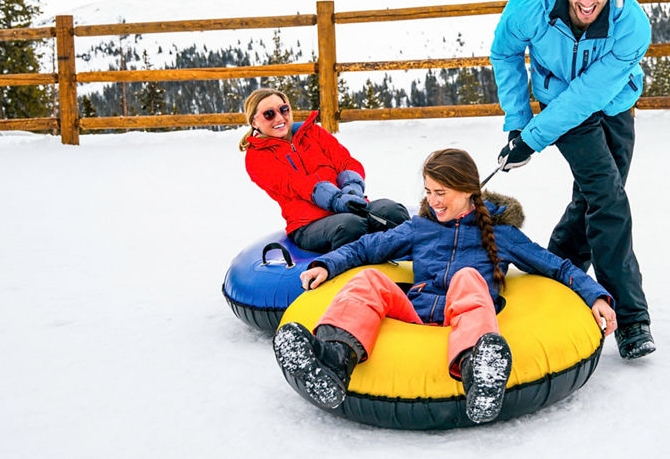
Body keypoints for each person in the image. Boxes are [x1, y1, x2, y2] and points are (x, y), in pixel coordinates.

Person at [271, 148, 615, 425]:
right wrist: (325, 264)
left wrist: (595, 296)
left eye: (442, 192)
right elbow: (366, 248)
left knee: (467, 277)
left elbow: (555, 265)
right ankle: (332, 364)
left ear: (467, 190)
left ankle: (479, 372)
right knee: (369, 279)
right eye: (429, 192)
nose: (434, 201)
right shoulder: (420, 228)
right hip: (415, 312)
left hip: (467, 317)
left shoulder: (500, 235)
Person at [489, 0, 656, 359]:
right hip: (558, 108)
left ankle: (558, 270)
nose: (586, 1)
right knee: (606, 196)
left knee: (593, 198)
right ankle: (632, 318)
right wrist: (518, 122)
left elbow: (588, 94)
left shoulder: (631, 24)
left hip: (614, 103)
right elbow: (505, 53)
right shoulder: (529, 7)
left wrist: (532, 138)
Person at [240, 88, 409, 252]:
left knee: (393, 212)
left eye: (284, 110)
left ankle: (412, 268)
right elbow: (295, 184)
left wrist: (352, 188)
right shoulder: (256, 157)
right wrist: (335, 199)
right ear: (254, 122)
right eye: (269, 114)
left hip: (351, 207)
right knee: (351, 227)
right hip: (307, 224)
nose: (279, 118)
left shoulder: (313, 132)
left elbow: (345, 161)